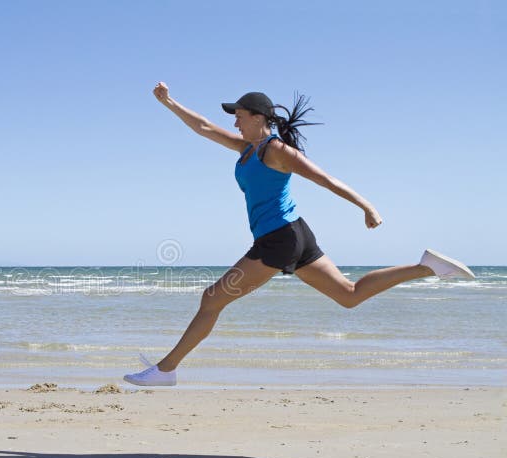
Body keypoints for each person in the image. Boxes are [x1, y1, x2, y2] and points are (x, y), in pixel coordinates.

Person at [124, 82, 475, 387]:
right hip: (294, 235)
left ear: (259, 118)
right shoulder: (246, 148)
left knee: (213, 298)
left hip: (279, 239)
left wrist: (366, 206)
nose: (234, 121)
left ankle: (166, 370)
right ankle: (427, 267)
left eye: (240, 115)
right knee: (349, 295)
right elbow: (202, 126)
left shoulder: (276, 150)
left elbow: (324, 178)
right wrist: (169, 103)